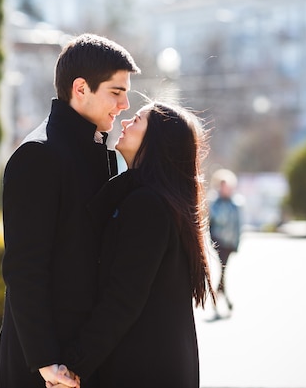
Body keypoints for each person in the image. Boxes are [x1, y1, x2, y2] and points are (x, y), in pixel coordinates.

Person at [0, 34, 140, 388]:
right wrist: (45, 360)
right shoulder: (38, 156)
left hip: (84, 356)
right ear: (81, 88)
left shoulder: (100, 151)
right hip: (44, 368)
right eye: (116, 92)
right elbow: (24, 268)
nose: (125, 104)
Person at [54, 102, 217, 388]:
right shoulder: (155, 200)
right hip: (160, 363)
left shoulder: (147, 205)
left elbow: (123, 297)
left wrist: (75, 363)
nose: (126, 121)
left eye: (138, 119)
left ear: (157, 140)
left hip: (143, 367)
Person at [208, 169, 241, 317]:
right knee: (222, 272)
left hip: (230, 243)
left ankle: (221, 299)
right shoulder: (214, 204)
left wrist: (237, 244)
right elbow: (209, 223)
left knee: (223, 273)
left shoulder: (236, 204)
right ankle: (223, 301)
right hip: (218, 243)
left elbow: (238, 226)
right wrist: (211, 242)